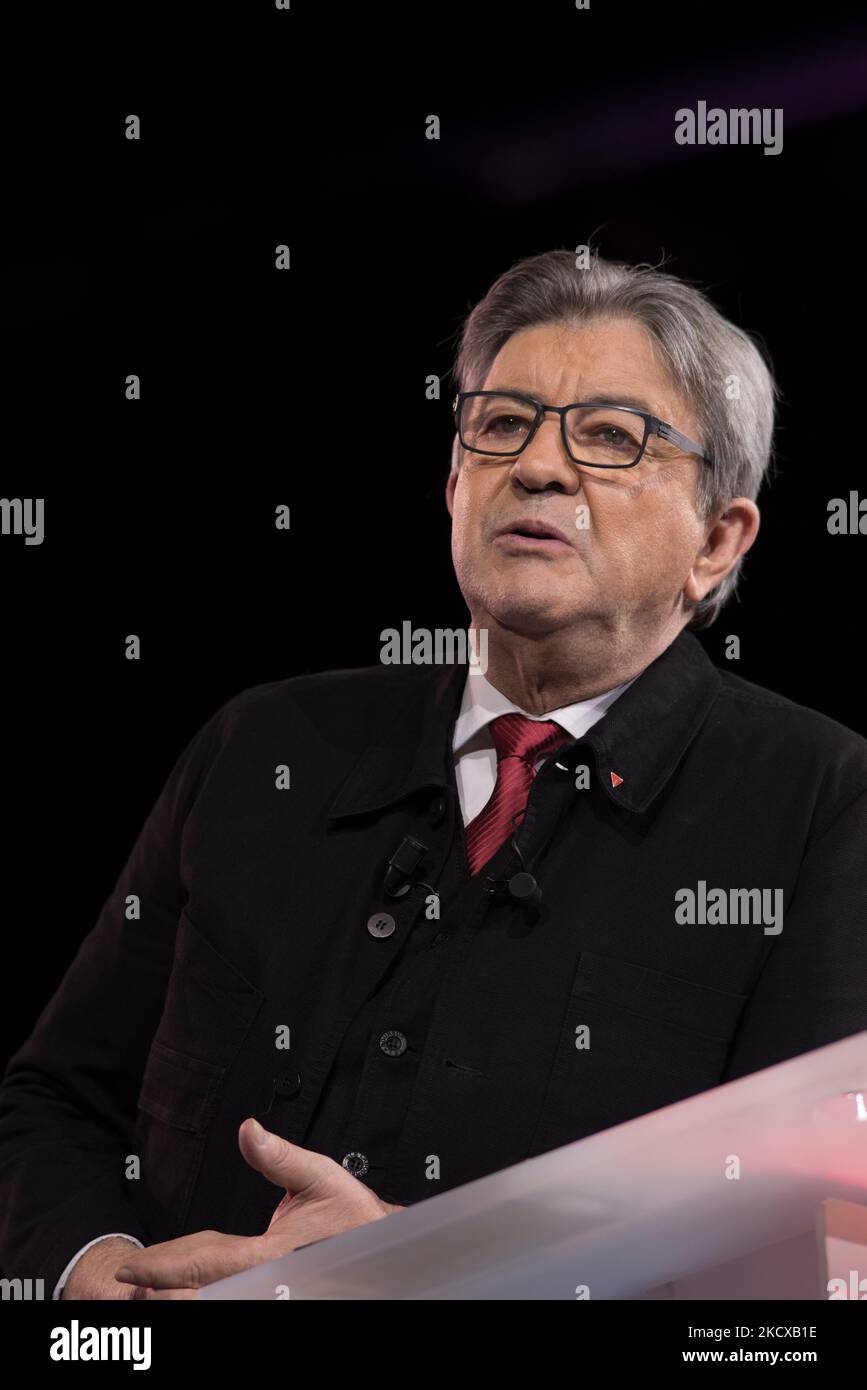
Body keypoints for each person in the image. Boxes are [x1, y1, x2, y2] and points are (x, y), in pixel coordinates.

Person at [2, 250, 865, 1300]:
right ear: (455, 482)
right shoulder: (266, 745)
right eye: (501, 424)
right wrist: (95, 1278)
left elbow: (811, 1264)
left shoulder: (822, 804)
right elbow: (57, 1098)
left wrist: (416, 1277)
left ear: (717, 542)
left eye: (610, 436)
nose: (538, 468)